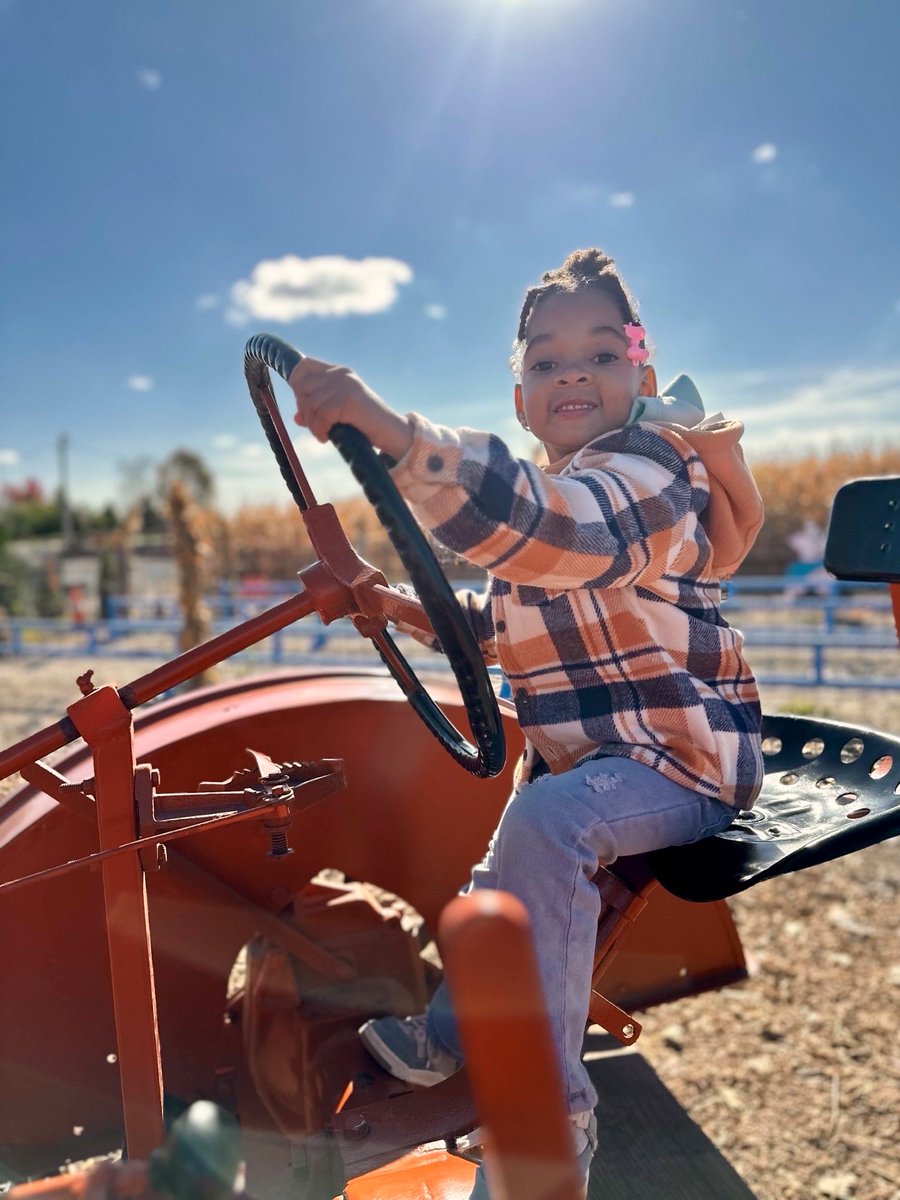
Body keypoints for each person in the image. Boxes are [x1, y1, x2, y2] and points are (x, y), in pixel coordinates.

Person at [289, 248, 765, 1197]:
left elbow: (559, 532)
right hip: (597, 764)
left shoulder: (648, 478)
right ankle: (450, 1035)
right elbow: (504, 625)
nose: (573, 373)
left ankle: (549, 1117)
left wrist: (395, 435)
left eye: (601, 353)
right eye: (547, 361)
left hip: (684, 759)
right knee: (502, 868)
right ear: (520, 399)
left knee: (547, 821)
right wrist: (397, 607)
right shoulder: (565, 498)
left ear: (643, 378)